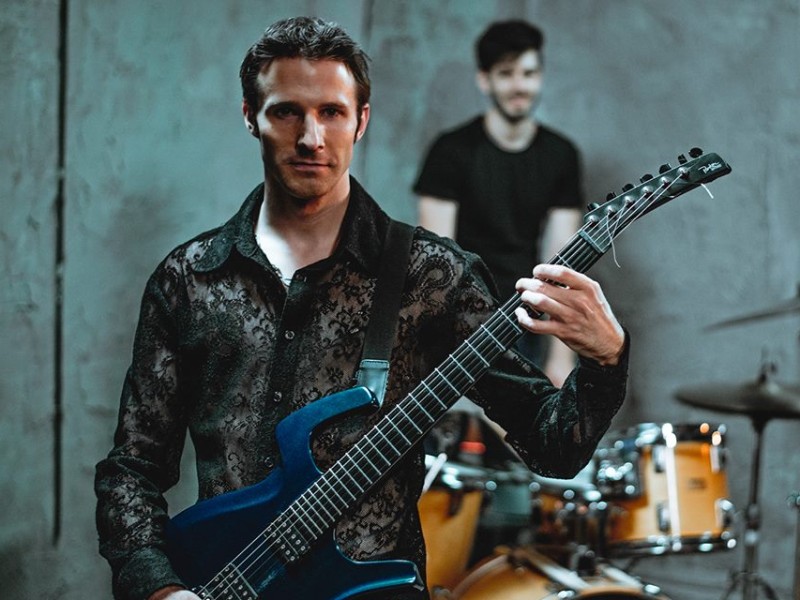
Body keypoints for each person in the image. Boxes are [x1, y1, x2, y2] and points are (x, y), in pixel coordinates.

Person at [94, 16, 628, 600]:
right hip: (222, 581)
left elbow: (554, 446)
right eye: (286, 112)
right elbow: (132, 468)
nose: (311, 138)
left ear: (361, 120)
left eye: (332, 112)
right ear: (250, 116)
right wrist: (160, 589)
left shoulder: (432, 276)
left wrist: (606, 360)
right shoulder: (189, 278)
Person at [414, 20, 583, 386]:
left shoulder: (561, 155)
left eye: (529, 73)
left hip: (527, 318)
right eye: (506, 74)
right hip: (459, 325)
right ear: (484, 80)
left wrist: (561, 355)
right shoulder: (451, 151)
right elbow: (437, 265)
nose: (519, 86)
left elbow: (563, 264)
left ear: (540, 77)